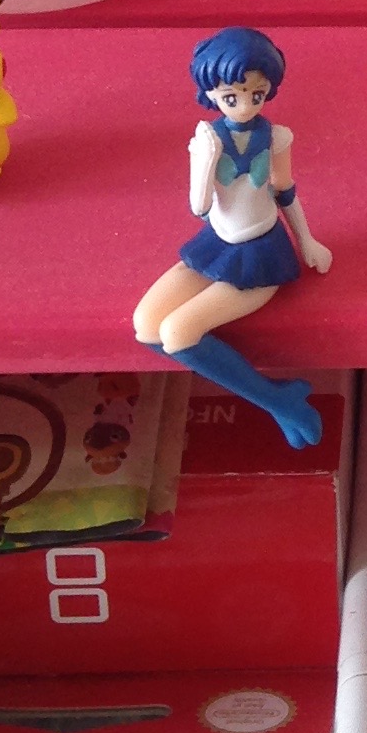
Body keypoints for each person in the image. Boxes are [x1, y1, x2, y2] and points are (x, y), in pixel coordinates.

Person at [133, 28, 332, 446]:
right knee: (147, 325)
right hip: (217, 245)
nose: (245, 105)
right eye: (231, 97)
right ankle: (278, 400)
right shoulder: (207, 141)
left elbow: (284, 191)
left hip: (263, 255)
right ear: (211, 94)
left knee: (178, 333)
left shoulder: (276, 137)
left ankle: (280, 403)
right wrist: (205, 160)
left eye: (256, 95)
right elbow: (199, 206)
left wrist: (307, 241)